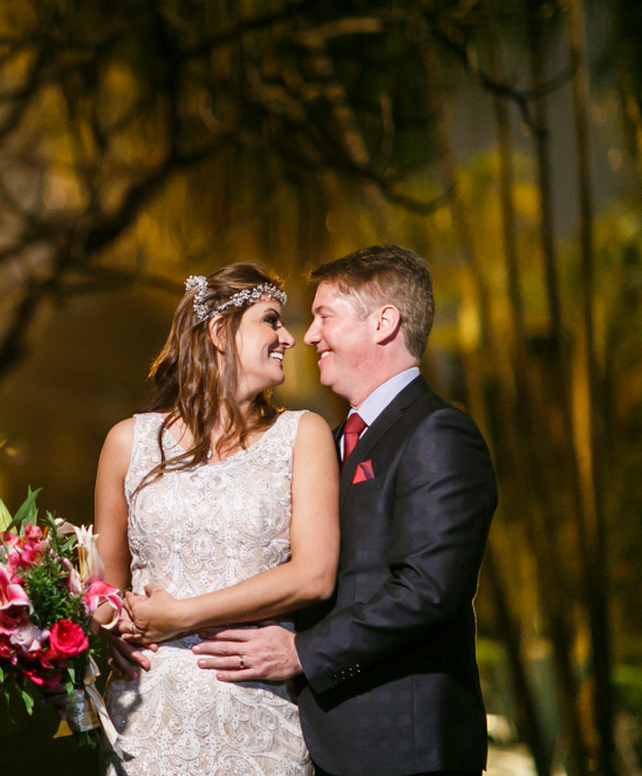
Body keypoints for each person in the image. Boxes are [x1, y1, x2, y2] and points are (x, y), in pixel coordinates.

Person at [191, 245, 499, 776]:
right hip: (316, 742)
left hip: (403, 749)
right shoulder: (328, 443)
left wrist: (302, 654)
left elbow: (426, 589)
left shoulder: (437, 433)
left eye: (324, 316)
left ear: (383, 323)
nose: (308, 336)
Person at [93, 262, 340, 775]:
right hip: (145, 724)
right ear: (219, 332)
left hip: (257, 723)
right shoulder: (127, 442)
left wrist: (183, 615)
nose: (289, 339)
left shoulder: (304, 434)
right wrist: (104, 628)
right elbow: (104, 590)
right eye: (271, 320)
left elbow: (315, 575)